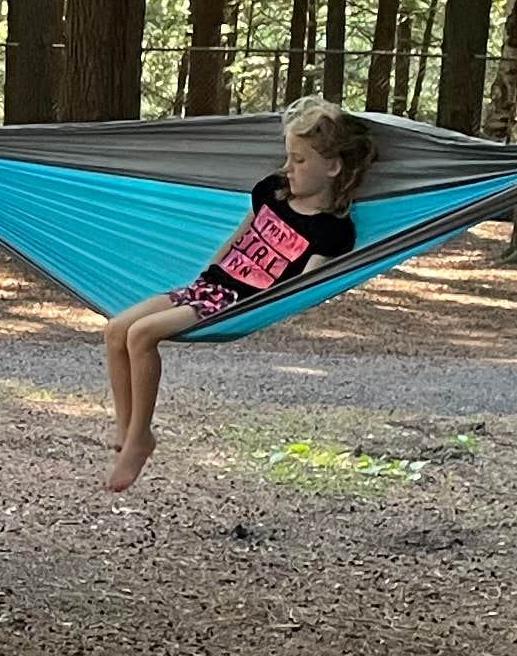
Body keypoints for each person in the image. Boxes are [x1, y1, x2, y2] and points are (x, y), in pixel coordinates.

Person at [104, 97, 378, 491]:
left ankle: (139, 440)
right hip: (210, 286)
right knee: (116, 330)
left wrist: (266, 310)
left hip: (239, 302)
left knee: (141, 335)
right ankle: (126, 428)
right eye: (288, 157)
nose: (288, 167)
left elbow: (306, 289)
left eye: (299, 160)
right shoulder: (272, 191)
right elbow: (240, 235)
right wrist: (206, 275)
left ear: (333, 166)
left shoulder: (333, 231)